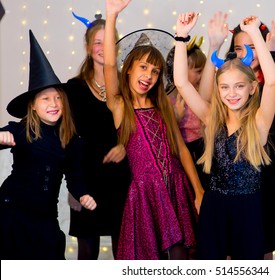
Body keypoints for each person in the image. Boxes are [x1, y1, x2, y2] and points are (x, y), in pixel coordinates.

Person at [174, 12, 275, 259]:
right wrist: (181, 36)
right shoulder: (212, 119)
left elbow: (272, 81)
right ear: (218, 90)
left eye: (239, 86)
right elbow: (181, 82)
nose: (231, 93)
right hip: (215, 208)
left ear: (252, 88)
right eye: (225, 87)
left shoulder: (259, 124)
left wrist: (255, 35)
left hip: (249, 209)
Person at [104, 0, 203, 260]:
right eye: (143, 67)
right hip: (145, 195)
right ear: (128, 71)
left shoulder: (163, 108)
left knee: (182, 256)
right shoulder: (120, 106)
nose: (149, 75)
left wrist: (199, 191)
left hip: (175, 188)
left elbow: (181, 150)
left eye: (156, 71)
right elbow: (108, 66)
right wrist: (111, 16)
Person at [0, 30, 96, 260]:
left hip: (44, 217)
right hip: (12, 212)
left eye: (58, 98)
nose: (53, 103)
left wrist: (82, 193)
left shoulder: (70, 140)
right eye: (45, 98)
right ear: (32, 105)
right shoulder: (21, 130)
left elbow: (74, 175)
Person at [66, 12, 131, 259]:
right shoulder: (73, 89)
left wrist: (124, 145)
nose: (103, 48)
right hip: (86, 180)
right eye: (97, 42)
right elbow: (68, 138)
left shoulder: (128, 86)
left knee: (124, 248)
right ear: (87, 46)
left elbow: (138, 127)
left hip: (121, 179)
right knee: (87, 253)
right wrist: (75, 186)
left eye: (109, 42)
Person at [165, 36, 210, 189]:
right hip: (182, 152)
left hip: (203, 149)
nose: (201, 76)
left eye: (203, 71)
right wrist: (176, 118)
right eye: (198, 71)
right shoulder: (169, 99)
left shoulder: (203, 95)